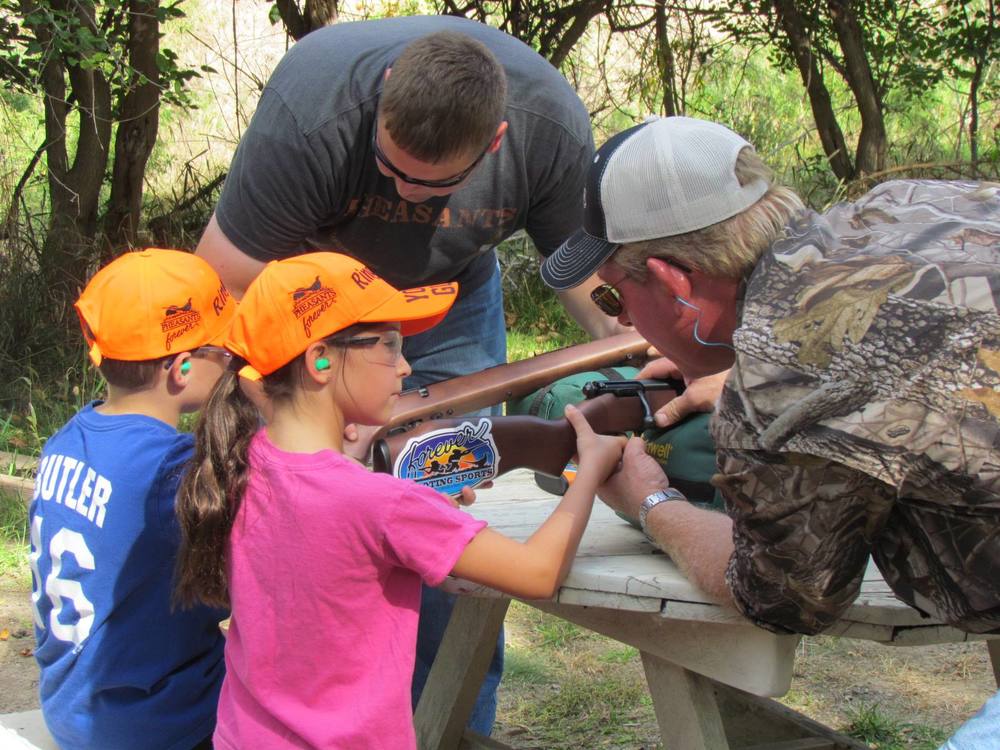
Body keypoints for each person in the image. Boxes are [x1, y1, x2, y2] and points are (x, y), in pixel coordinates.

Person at [194, 16, 626, 729]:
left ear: (494, 143)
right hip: (315, 305)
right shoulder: (313, 115)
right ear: (385, 94)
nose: (411, 195)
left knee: (448, 502)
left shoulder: (548, 126)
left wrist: (627, 331)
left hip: (447, 297)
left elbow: (582, 276)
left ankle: (450, 726)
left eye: (437, 183)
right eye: (391, 169)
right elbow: (227, 281)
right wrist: (282, 403)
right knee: (300, 524)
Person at [540, 115, 1000, 744]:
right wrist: (741, 359)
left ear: (676, 282)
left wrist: (649, 501)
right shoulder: (905, 203)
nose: (628, 325)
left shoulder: (781, 380)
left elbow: (786, 595)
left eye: (615, 299)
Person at [172, 252, 625, 749]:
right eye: (389, 346)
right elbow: (537, 572)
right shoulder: (383, 504)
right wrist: (589, 467)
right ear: (320, 360)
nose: (406, 366)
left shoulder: (239, 463)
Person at [29, 249, 237, 750]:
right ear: (182, 368)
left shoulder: (67, 438)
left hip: (72, 709)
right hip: (156, 726)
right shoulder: (173, 471)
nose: (233, 360)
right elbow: (253, 584)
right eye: (223, 349)